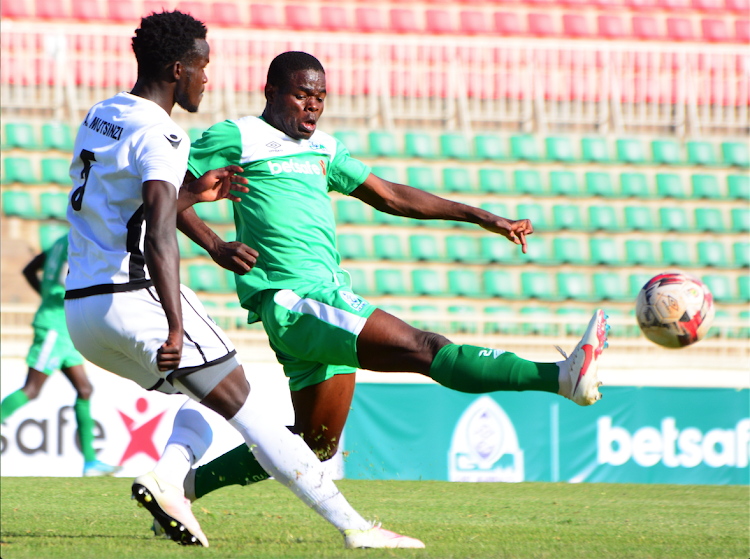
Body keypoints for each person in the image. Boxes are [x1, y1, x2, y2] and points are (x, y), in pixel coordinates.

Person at [171, 51, 610, 502]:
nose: (313, 107)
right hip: (293, 300)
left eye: (320, 98)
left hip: (325, 299)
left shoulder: (324, 148)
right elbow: (169, 193)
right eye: (302, 95)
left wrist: (480, 216)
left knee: (314, 445)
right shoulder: (238, 135)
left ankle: (181, 488)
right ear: (272, 93)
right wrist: (215, 245)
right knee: (427, 347)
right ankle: (558, 376)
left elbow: (391, 196)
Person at [63, 13, 423, 550]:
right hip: (133, 295)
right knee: (253, 413)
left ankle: (169, 480)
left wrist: (202, 204)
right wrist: (177, 325)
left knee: (203, 402)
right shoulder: (163, 134)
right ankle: (358, 529)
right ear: (176, 68)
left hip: (82, 310)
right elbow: (160, 232)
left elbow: (134, 207)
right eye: (202, 67)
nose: (207, 79)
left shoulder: (103, 114)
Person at [0, 234, 121, 477]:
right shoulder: (81, 241)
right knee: (32, 389)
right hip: (55, 328)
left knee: (84, 389)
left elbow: (28, 270)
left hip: (64, 330)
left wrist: (46, 295)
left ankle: (90, 463)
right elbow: (69, 277)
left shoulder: (60, 240)